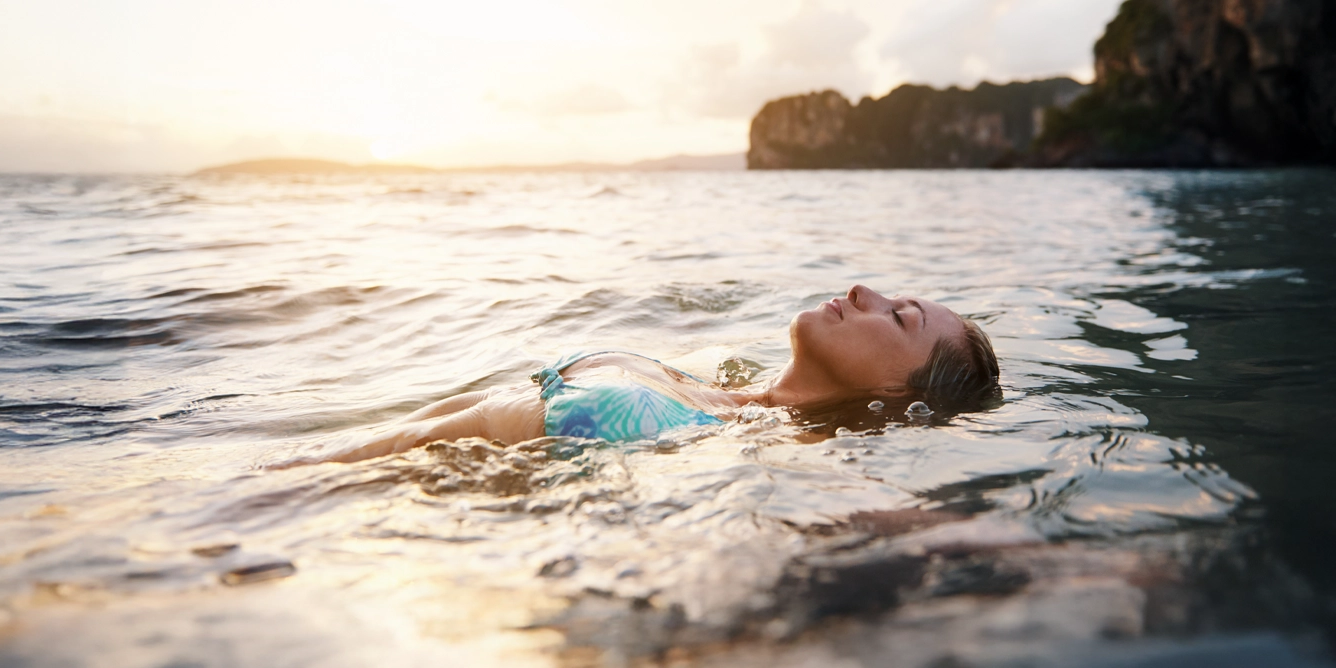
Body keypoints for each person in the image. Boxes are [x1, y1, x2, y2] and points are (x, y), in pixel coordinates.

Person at [312, 285, 999, 463]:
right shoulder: (725, 395)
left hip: (298, 508)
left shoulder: (734, 447)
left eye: (900, 316)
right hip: (272, 486)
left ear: (895, 394)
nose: (860, 292)